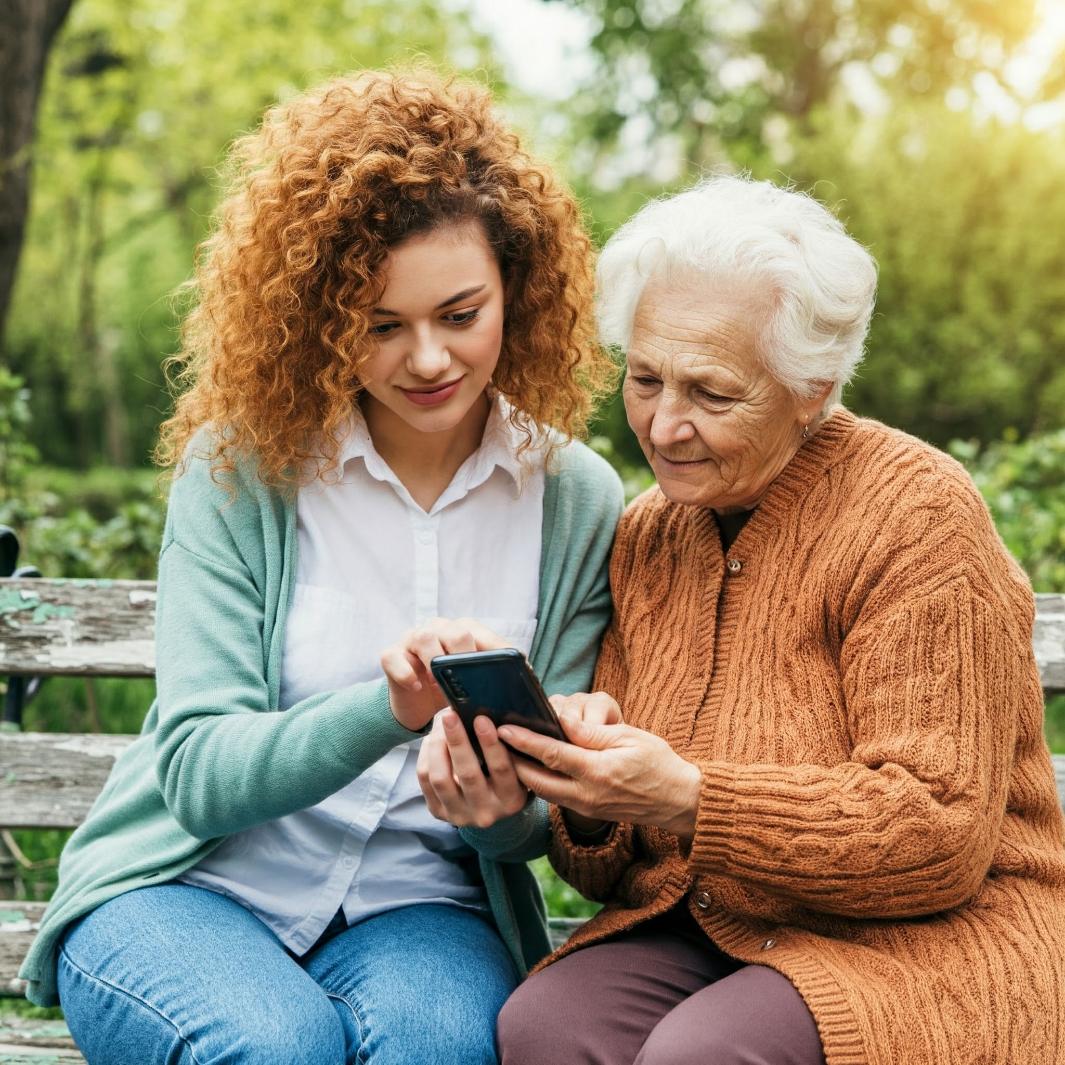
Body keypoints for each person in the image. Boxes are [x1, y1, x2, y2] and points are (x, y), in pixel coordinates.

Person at [18, 70, 622, 1065]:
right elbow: (201, 777)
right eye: (382, 326)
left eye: (460, 314)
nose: (428, 360)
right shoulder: (241, 472)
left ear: (518, 286)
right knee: (278, 1047)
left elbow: (538, 831)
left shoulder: (575, 499)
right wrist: (389, 707)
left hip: (421, 908)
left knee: (442, 1051)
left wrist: (504, 811)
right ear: (323, 317)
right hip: (188, 891)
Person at [479, 175, 1065, 1065]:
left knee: (702, 1054)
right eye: (644, 380)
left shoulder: (917, 516)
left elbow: (937, 831)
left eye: (711, 394)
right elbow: (606, 872)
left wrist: (688, 798)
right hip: (714, 927)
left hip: (933, 935)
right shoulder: (648, 536)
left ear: (811, 386)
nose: (665, 426)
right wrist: (591, 798)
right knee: (546, 1026)